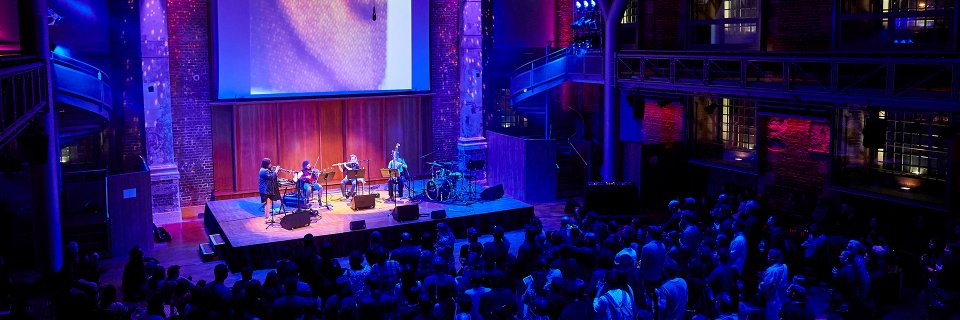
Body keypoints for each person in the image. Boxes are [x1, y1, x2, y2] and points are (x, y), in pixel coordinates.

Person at [259, 157, 281, 223]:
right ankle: (267, 218)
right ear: (266, 164)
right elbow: (271, 177)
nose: (270, 165)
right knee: (267, 203)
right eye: (269, 164)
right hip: (265, 190)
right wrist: (276, 170)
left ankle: (267, 217)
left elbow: (273, 176)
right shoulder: (263, 171)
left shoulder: (266, 170)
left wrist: (276, 172)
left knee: (269, 203)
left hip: (268, 189)